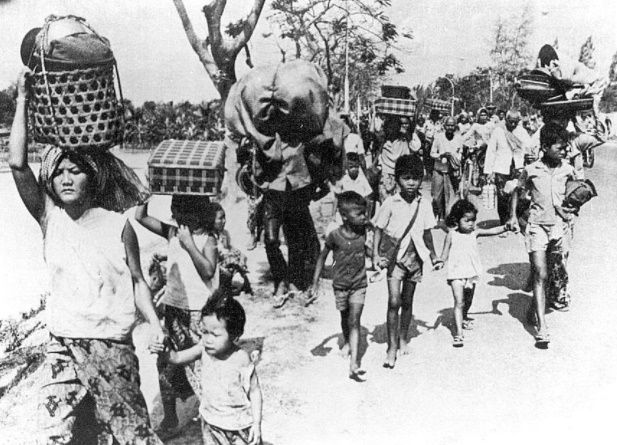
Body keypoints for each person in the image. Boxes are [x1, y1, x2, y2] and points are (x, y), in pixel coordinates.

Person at [9, 69, 163, 443]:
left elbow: (139, 281)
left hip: (110, 343)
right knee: (58, 434)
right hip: (63, 343)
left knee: (130, 434)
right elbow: (17, 164)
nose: (65, 178)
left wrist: (156, 325)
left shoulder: (117, 226)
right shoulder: (51, 218)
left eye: (74, 170)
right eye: (58, 172)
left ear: (91, 177)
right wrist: (23, 99)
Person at [135, 195, 219, 436]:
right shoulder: (172, 233)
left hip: (198, 312)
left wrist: (190, 243)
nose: (178, 217)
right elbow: (140, 217)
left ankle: (211, 414)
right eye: (176, 211)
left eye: (183, 212)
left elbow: (208, 270)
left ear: (198, 213)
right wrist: (145, 196)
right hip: (173, 310)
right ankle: (170, 418)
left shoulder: (207, 239)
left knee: (203, 365)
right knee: (166, 364)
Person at [150, 292, 263, 445]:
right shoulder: (202, 349)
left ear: (235, 335)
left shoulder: (241, 358)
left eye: (215, 335)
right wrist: (163, 350)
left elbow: (255, 391)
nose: (208, 339)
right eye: (204, 332)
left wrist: (256, 423)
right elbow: (176, 358)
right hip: (211, 423)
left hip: (238, 426)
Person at [508, 122, 578, 347]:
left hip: (558, 228)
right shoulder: (531, 170)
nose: (564, 151)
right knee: (540, 273)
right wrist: (512, 216)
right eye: (560, 147)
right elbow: (517, 192)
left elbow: (575, 196)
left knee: (548, 274)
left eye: (565, 147)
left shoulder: (568, 170)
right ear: (546, 146)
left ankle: (532, 309)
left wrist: (571, 211)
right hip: (537, 227)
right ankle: (542, 327)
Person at [373, 155, 442, 368]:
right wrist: (375, 254)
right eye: (406, 178)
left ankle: (403, 337)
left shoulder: (426, 204)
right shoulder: (390, 203)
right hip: (395, 258)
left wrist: (433, 255)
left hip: (416, 257)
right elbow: (378, 228)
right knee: (394, 301)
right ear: (397, 179)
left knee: (407, 300)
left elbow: (428, 233)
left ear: (421, 179)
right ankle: (391, 346)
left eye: (415, 178)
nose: (411, 183)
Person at [307, 191, 370, 381]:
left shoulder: (364, 231)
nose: (363, 217)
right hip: (341, 285)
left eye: (364, 213)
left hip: (359, 284)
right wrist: (315, 282)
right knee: (345, 317)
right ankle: (348, 341)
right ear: (344, 216)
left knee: (355, 320)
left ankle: (354, 364)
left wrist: (377, 257)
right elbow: (322, 257)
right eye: (358, 214)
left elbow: (368, 247)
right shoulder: (334, 236)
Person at [439, 199, 509, 347]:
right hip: (456, 273)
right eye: (467, 220)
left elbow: (492, 231)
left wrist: (505, 227)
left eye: (473, 220)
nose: (471, 224)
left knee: (468, 301)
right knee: (459, 302)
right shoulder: (451, 235)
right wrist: (440, 262)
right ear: (457, 220)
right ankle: (459, 334)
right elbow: (444, 254)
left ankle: (464, 317)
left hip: (471, 273)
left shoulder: (474, 233)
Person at [484, 110, 531, 224]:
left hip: (518, 167)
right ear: (506, 120)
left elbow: (528, 147)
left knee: (517, 193)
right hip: (501, 168)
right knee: (502, 197)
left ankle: (514, 218)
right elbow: (491, 151)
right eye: (511, 122)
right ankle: (503, 222)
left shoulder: (522, 132)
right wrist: (488, 171)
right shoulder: (498, 131)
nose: (513, 125)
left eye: (516, 122)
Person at [205, 202, 253, 295]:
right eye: (220, 218)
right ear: (211, 220)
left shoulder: (224, 234)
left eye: (224, 217)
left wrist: (241, 256)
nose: (224, 221)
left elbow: (230, 248)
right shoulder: (208, 238)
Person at [378, 115, 421, 202]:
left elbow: (416, 148)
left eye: (406, 124)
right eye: (401, 124)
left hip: (401, 172)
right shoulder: (385, 138)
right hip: (387, 173)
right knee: (386, 201)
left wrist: (408, 137)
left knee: (401, 201)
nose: (403, 126)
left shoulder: (408, 137)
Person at [430, 116, 463, 220]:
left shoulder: (458, 138)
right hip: (439, 169)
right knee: (436, 196)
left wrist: (455, 159)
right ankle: (437, 214)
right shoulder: (438, 137)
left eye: (452, 125)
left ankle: (447, 218)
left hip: (451, 171)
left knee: (450, 196)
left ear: (455, 126)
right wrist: (441, 155)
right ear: (444, 126)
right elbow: (432, 153)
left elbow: (460, 153)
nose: (450, 127)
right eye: (448, 125)